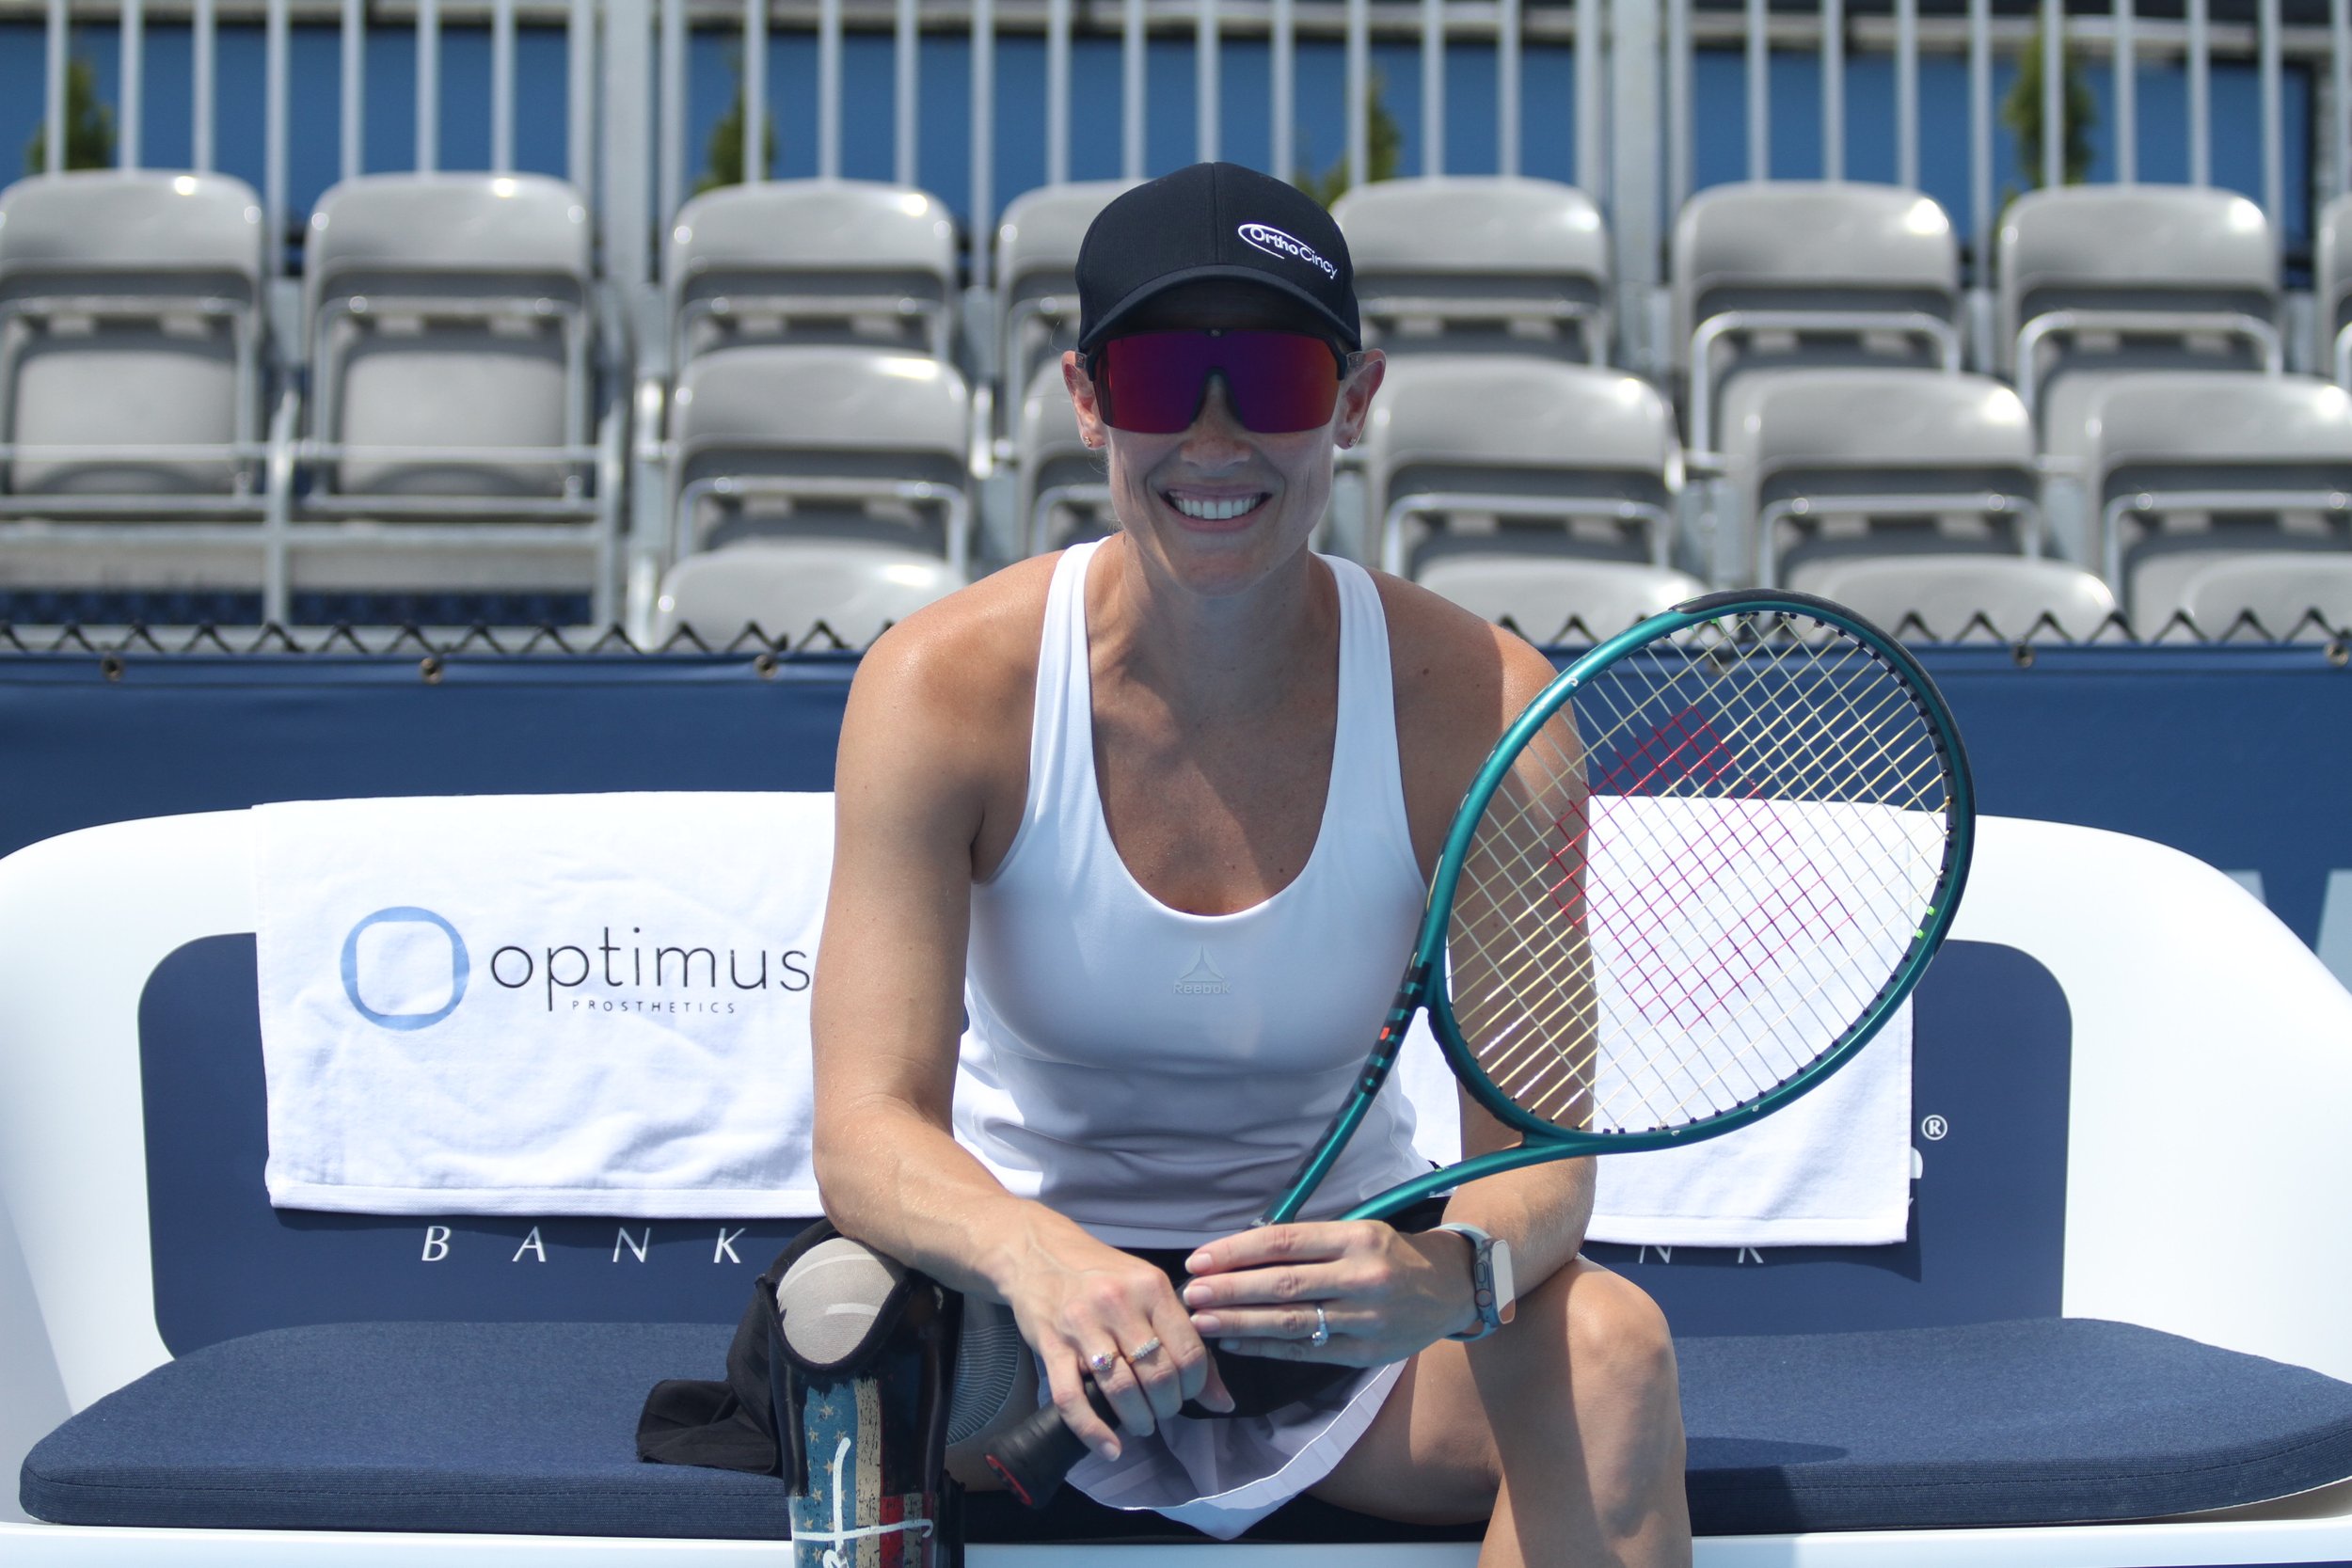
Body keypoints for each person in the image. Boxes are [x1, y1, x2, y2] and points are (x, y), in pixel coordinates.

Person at [810, 161, 1691, 1567]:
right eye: (1163, 376)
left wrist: (1444, 1274)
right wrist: (1042, 1258)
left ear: (1353, 399)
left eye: (1273, 378)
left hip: (1349, 1309)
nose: (1215, 438)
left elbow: (1537, 1164)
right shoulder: (940, 687)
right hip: (1030, 1326)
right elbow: (866, 1128)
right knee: (844, 1324)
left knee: (1611, 1350)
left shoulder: (1485, 707)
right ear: (1088, 398)